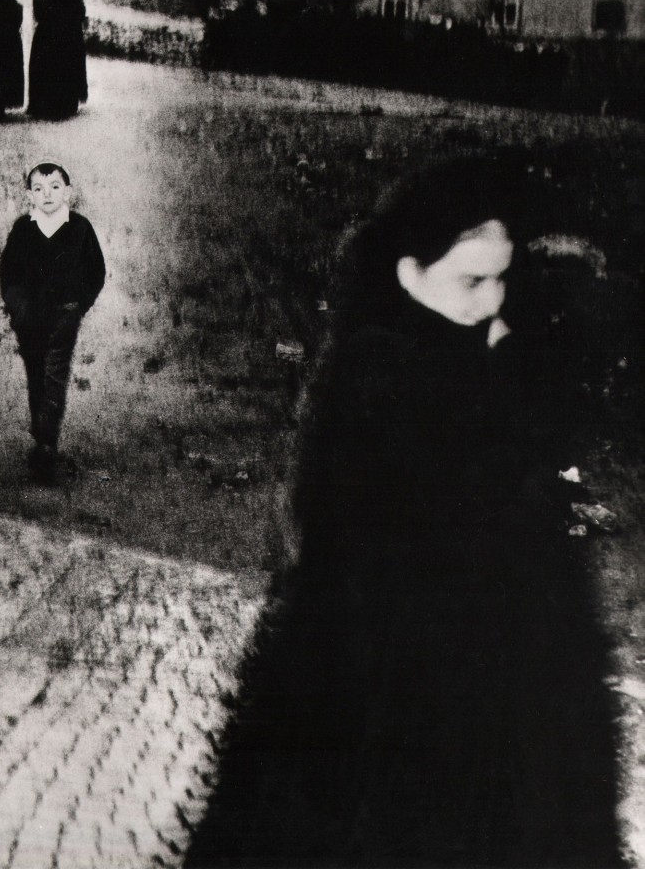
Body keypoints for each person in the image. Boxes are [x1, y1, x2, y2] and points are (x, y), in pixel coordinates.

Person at [184, 156, 625, 867]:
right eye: (472, 282)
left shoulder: (465, 364)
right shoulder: (382, 386)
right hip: (402, 736)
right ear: (409, 273)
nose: (490, 303)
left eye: (501, 280)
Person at [0, 162, 105, 484]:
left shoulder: (79, 228)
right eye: (39, 189)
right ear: (29, 195)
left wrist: (78, 306)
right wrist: (18, 309)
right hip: (30, 318)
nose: (48, 195)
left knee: (54, 375)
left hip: (64, 315)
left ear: (68, 192)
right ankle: (41, 435)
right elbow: (9, 274)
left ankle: (47, 443)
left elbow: (95, 272)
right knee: (36, 375)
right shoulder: (23, 229)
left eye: (55, 187)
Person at [27, 0, 88, 121]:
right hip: (47, 36)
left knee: (67, 70)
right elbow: (38, 10)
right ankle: (42, 106)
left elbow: (80, 11)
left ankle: (66, 106)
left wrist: (69, 22)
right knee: (45, 69)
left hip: (68, 38)